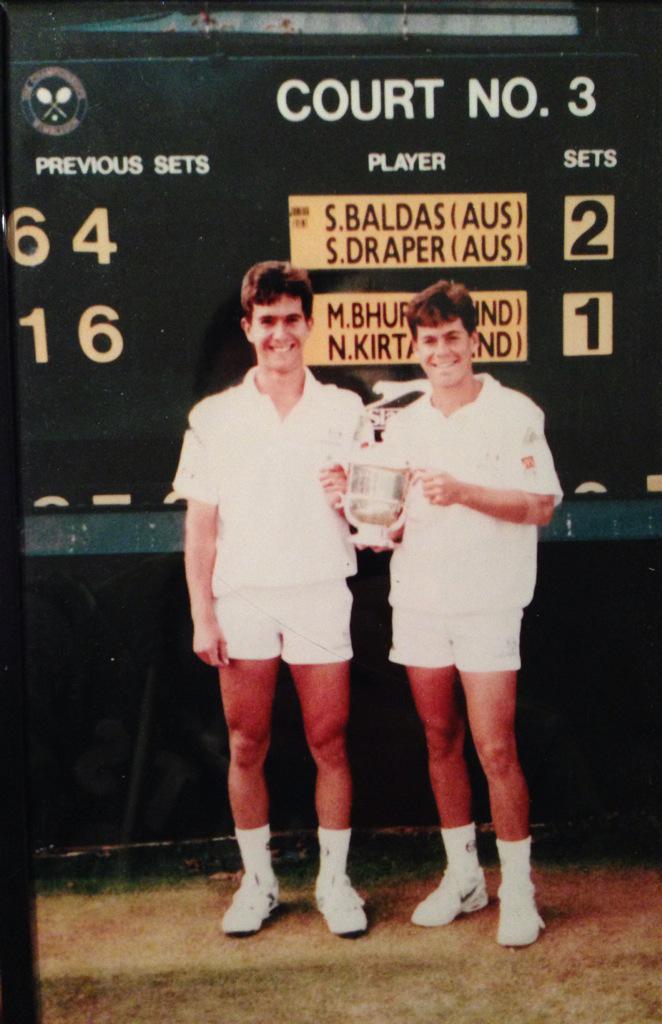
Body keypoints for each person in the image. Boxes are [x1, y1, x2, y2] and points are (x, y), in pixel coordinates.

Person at [173, 261, 367, 938]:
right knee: (246, 741)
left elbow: (375, 521)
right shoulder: (214, 416)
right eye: (268, 321)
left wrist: (355, 501)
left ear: (308, 326)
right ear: (248, 327)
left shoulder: (345, 409)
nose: (280, 333)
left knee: (329, 740)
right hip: (243, 600)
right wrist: (204, 612)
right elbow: (200, 527)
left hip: (319, 593)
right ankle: (258, 884)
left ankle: (335, 882)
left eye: (292, 320)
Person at [382, 280, 562, 946]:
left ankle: (519, 891)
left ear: (473, 342)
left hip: (489, 602)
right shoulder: (402, 421)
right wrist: (363, 506)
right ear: (418, 348)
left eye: (451, 337)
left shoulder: (516, 411)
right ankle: (465, 878)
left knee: (494, 748)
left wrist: (464, 492)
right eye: (429, 340)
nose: (441, 350)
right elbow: (389, 520)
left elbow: (540, 505)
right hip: (420, 603)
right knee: (439, 741)